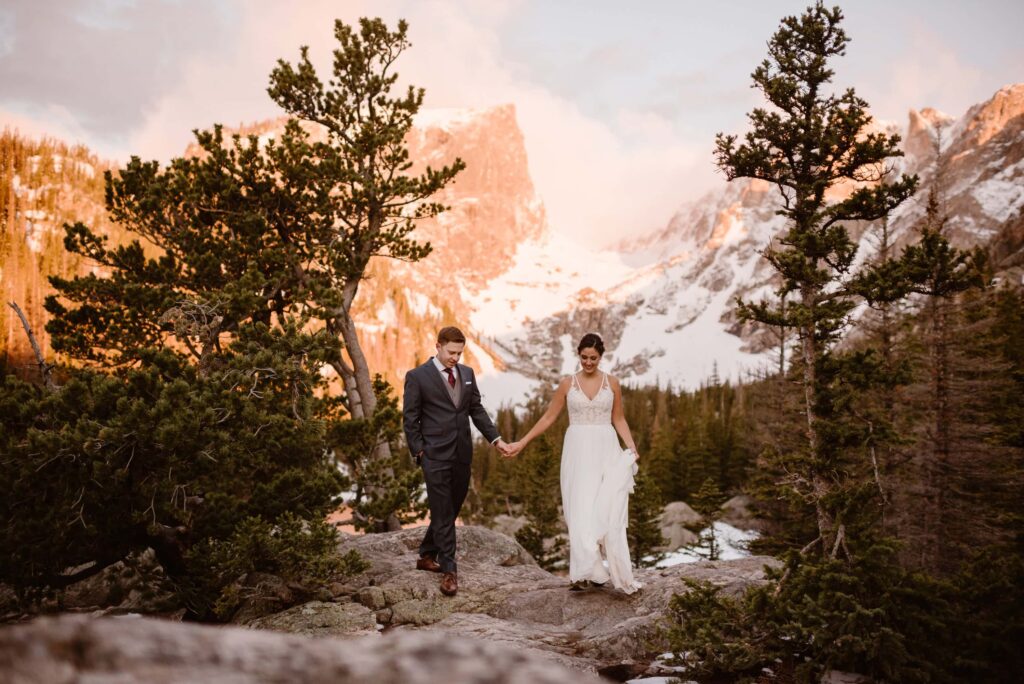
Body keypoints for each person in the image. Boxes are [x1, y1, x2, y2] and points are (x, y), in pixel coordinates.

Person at [507, 332, 643, 594]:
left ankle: (606, 570)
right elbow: (548, 418)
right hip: (577, 449)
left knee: (606, 507)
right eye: (584, 357)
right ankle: (585, 572)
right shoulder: (568, 384)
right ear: (578, 355)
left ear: (601, 357)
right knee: (579, 508)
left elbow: (619, 419)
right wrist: (522, 442)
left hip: (606, 446)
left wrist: (631, 446)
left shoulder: (612, 383)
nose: (588, 362)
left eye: (593, 358)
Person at [403, 326, 511, 597]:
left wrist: (496, 440)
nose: (455, 358)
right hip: (434, 456)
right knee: (442, 510)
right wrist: (419, 451)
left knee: (449, 509)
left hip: (462, 453)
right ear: (437, 346)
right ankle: (449, 570)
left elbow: (476, 410)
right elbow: (410, 418)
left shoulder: (467, 374)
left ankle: (427, 554)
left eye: (459, 353)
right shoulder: (417, 377)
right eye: (451, 352)